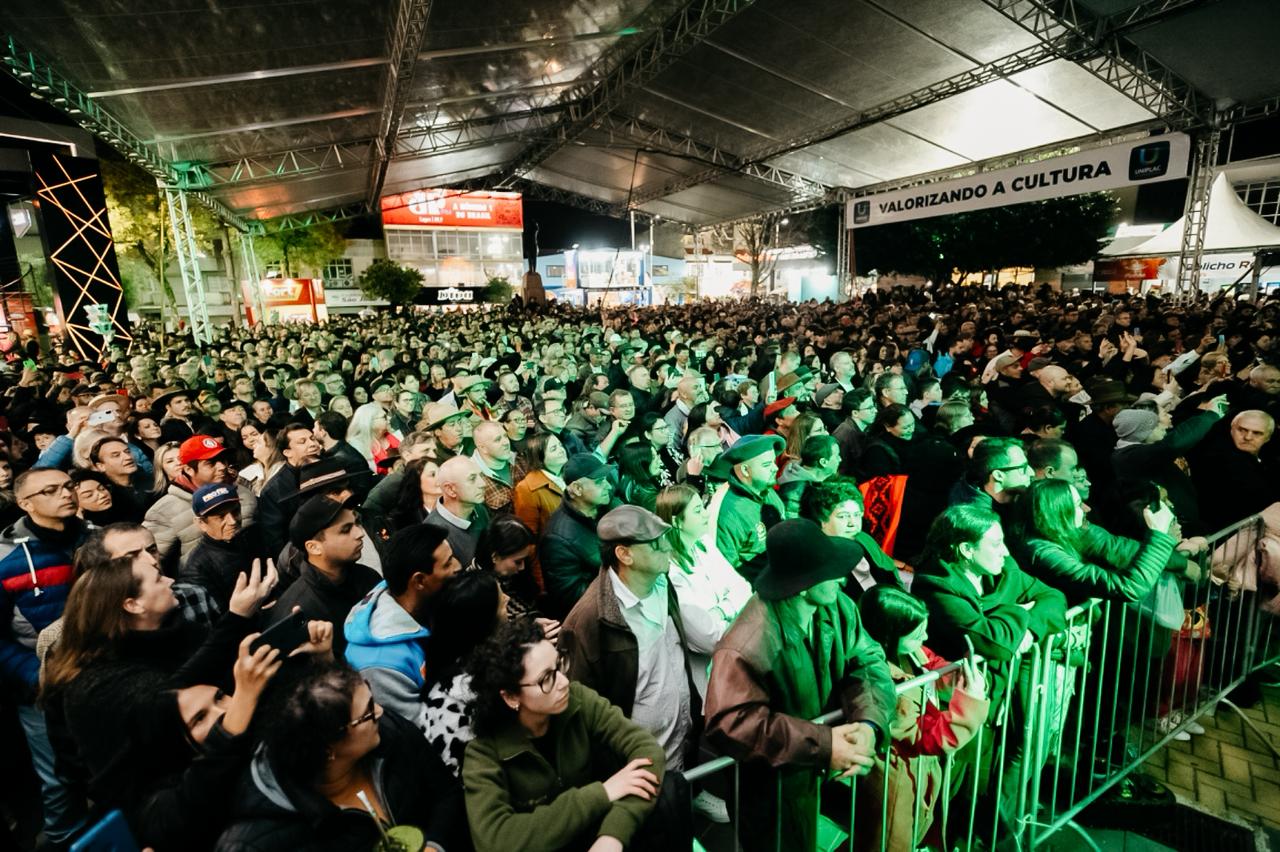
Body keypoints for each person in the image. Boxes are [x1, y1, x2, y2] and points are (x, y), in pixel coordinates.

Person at [703, 518, 896, 852]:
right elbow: (732, 722)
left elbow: (867, 662)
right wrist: (824, 744)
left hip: (810, 773)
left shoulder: (837, 606)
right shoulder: (746, 644)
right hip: (770, 791)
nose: (841, 577)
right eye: (830, 571)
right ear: (803, 585)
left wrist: (868, 723)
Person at [462, 617, 668, 852]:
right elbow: (496, 840)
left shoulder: (578, 700)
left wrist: (613, 834)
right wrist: (601, 793)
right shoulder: (483, 755)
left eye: (559, 665)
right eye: (546, 678)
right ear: (510, 696)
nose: (563, 682)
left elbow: (648, 750)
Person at [216, 660, 464, 851]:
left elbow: (446, 793)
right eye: (367, 712)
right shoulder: (259, 841)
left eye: (371, 697)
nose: (379, 711)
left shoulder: (388, 730)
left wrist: (435, 844)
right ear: (328, 750)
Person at [560, 505, 712, 777]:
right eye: (655, 544)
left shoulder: (662, 582)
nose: (668, 547)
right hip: (638, 764)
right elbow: (581, 709)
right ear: (625, 554)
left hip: (681, 744)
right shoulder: (589, 620)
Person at [855, 585, 990, 852]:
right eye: (918, 634)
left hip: (917, 773)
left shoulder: (910, 650)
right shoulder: (881, 685)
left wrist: (957, 675)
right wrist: (970, 704)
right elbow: (925, 737)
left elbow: (931, 662)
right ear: (889, 635)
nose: (925, 637)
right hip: (894, 781)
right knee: (889, 843)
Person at [0, 468, 92, 846]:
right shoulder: (6, 559)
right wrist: (36, 674)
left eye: (68, 486)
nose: (66, 494)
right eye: (50, 491)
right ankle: (64, 839)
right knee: (58, 777)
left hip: (104, 674)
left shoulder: (96, 538)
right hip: (44, 687)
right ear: (26, 504)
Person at [912, 505, 1066, 703]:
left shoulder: (1004, 570)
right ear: (967, 549)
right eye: (996, 544)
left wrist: (1029, 631)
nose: (1005, 551)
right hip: (962, 699)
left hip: (1004, 690)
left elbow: (1054, 598)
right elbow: (994, 643)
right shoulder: (936, 586)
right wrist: (1018, 611)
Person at [344, 524, 461, 725]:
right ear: (419, 581)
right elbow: (420, 729)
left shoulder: (422, 602)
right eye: (448, 563)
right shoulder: (380, 665)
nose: (457, 566)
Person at [1013, 478, 1181, 605]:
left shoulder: (1059, 536)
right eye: (1077, 504)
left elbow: (1115, 547)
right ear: (1058, 513)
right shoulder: (1044, 553)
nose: (1087, 509)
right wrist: (1159, 537)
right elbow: (1129, 588)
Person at [655, 484, 751, 699]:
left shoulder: (705, 544)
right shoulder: (671, 572)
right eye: (698, 510)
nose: (707, 514)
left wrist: (720, 611)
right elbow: (710, 638)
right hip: (710, 685)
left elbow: (744, 587)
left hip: (738, 669)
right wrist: (737, 612)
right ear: (676, 521)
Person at [266, 495, 379, 658]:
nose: (360, 533)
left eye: (357, 523)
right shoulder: (297, 612)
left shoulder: (369, 578)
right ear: (314, 547)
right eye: (345, 530)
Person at [420, 570, 510, 776]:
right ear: (484, 624)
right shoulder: (468, 689)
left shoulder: (454, 656)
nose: (508, 598)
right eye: (501, 601)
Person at [540, 453, 613, 619]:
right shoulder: (557, 539)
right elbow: (572, 599)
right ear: (577, 489)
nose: (608, 486)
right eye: (599, 482)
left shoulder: (605, 508)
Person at [179, 483, 264, 615]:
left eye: (235, 511)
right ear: (201, 523)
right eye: (221, 517)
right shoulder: (198, 568)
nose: (232, 521)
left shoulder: (253, 536)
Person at [712, 434, 786, 583]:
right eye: (767, 465)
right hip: (758, 587)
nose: (775, 468)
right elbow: (725, 568)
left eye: (773, 462)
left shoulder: (766, 489)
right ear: (745, 470)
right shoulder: (728, 513)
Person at [255, 423, 322, 561]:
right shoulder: (274, 490)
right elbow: (275, 540)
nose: (312, 444)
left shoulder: (332, 468)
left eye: (312, 438)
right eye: (302, 442)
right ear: (287, 452)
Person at [423, 455, 491, 569]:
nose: (483, 484)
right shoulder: (432, 532)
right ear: (450, 490)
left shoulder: (479, 509)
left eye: (480, 476)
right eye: (472, 479)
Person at [777, 433, 840, 519]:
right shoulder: (794, 492)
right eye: (837, 456)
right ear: (823, 462)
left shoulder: (824, 482)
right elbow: (791, 523)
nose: (840, 459)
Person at [472, 420, 522, 514]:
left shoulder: (520, 460)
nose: (506, 442)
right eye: (497, 440)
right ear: (482, 447)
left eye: (505, 436)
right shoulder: (472, 478)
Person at [616, 443, 661, 512]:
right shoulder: (646, 496)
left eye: (657, 455)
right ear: (639, 463)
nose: (659, 460)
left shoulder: (633, 483)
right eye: (653, 457)